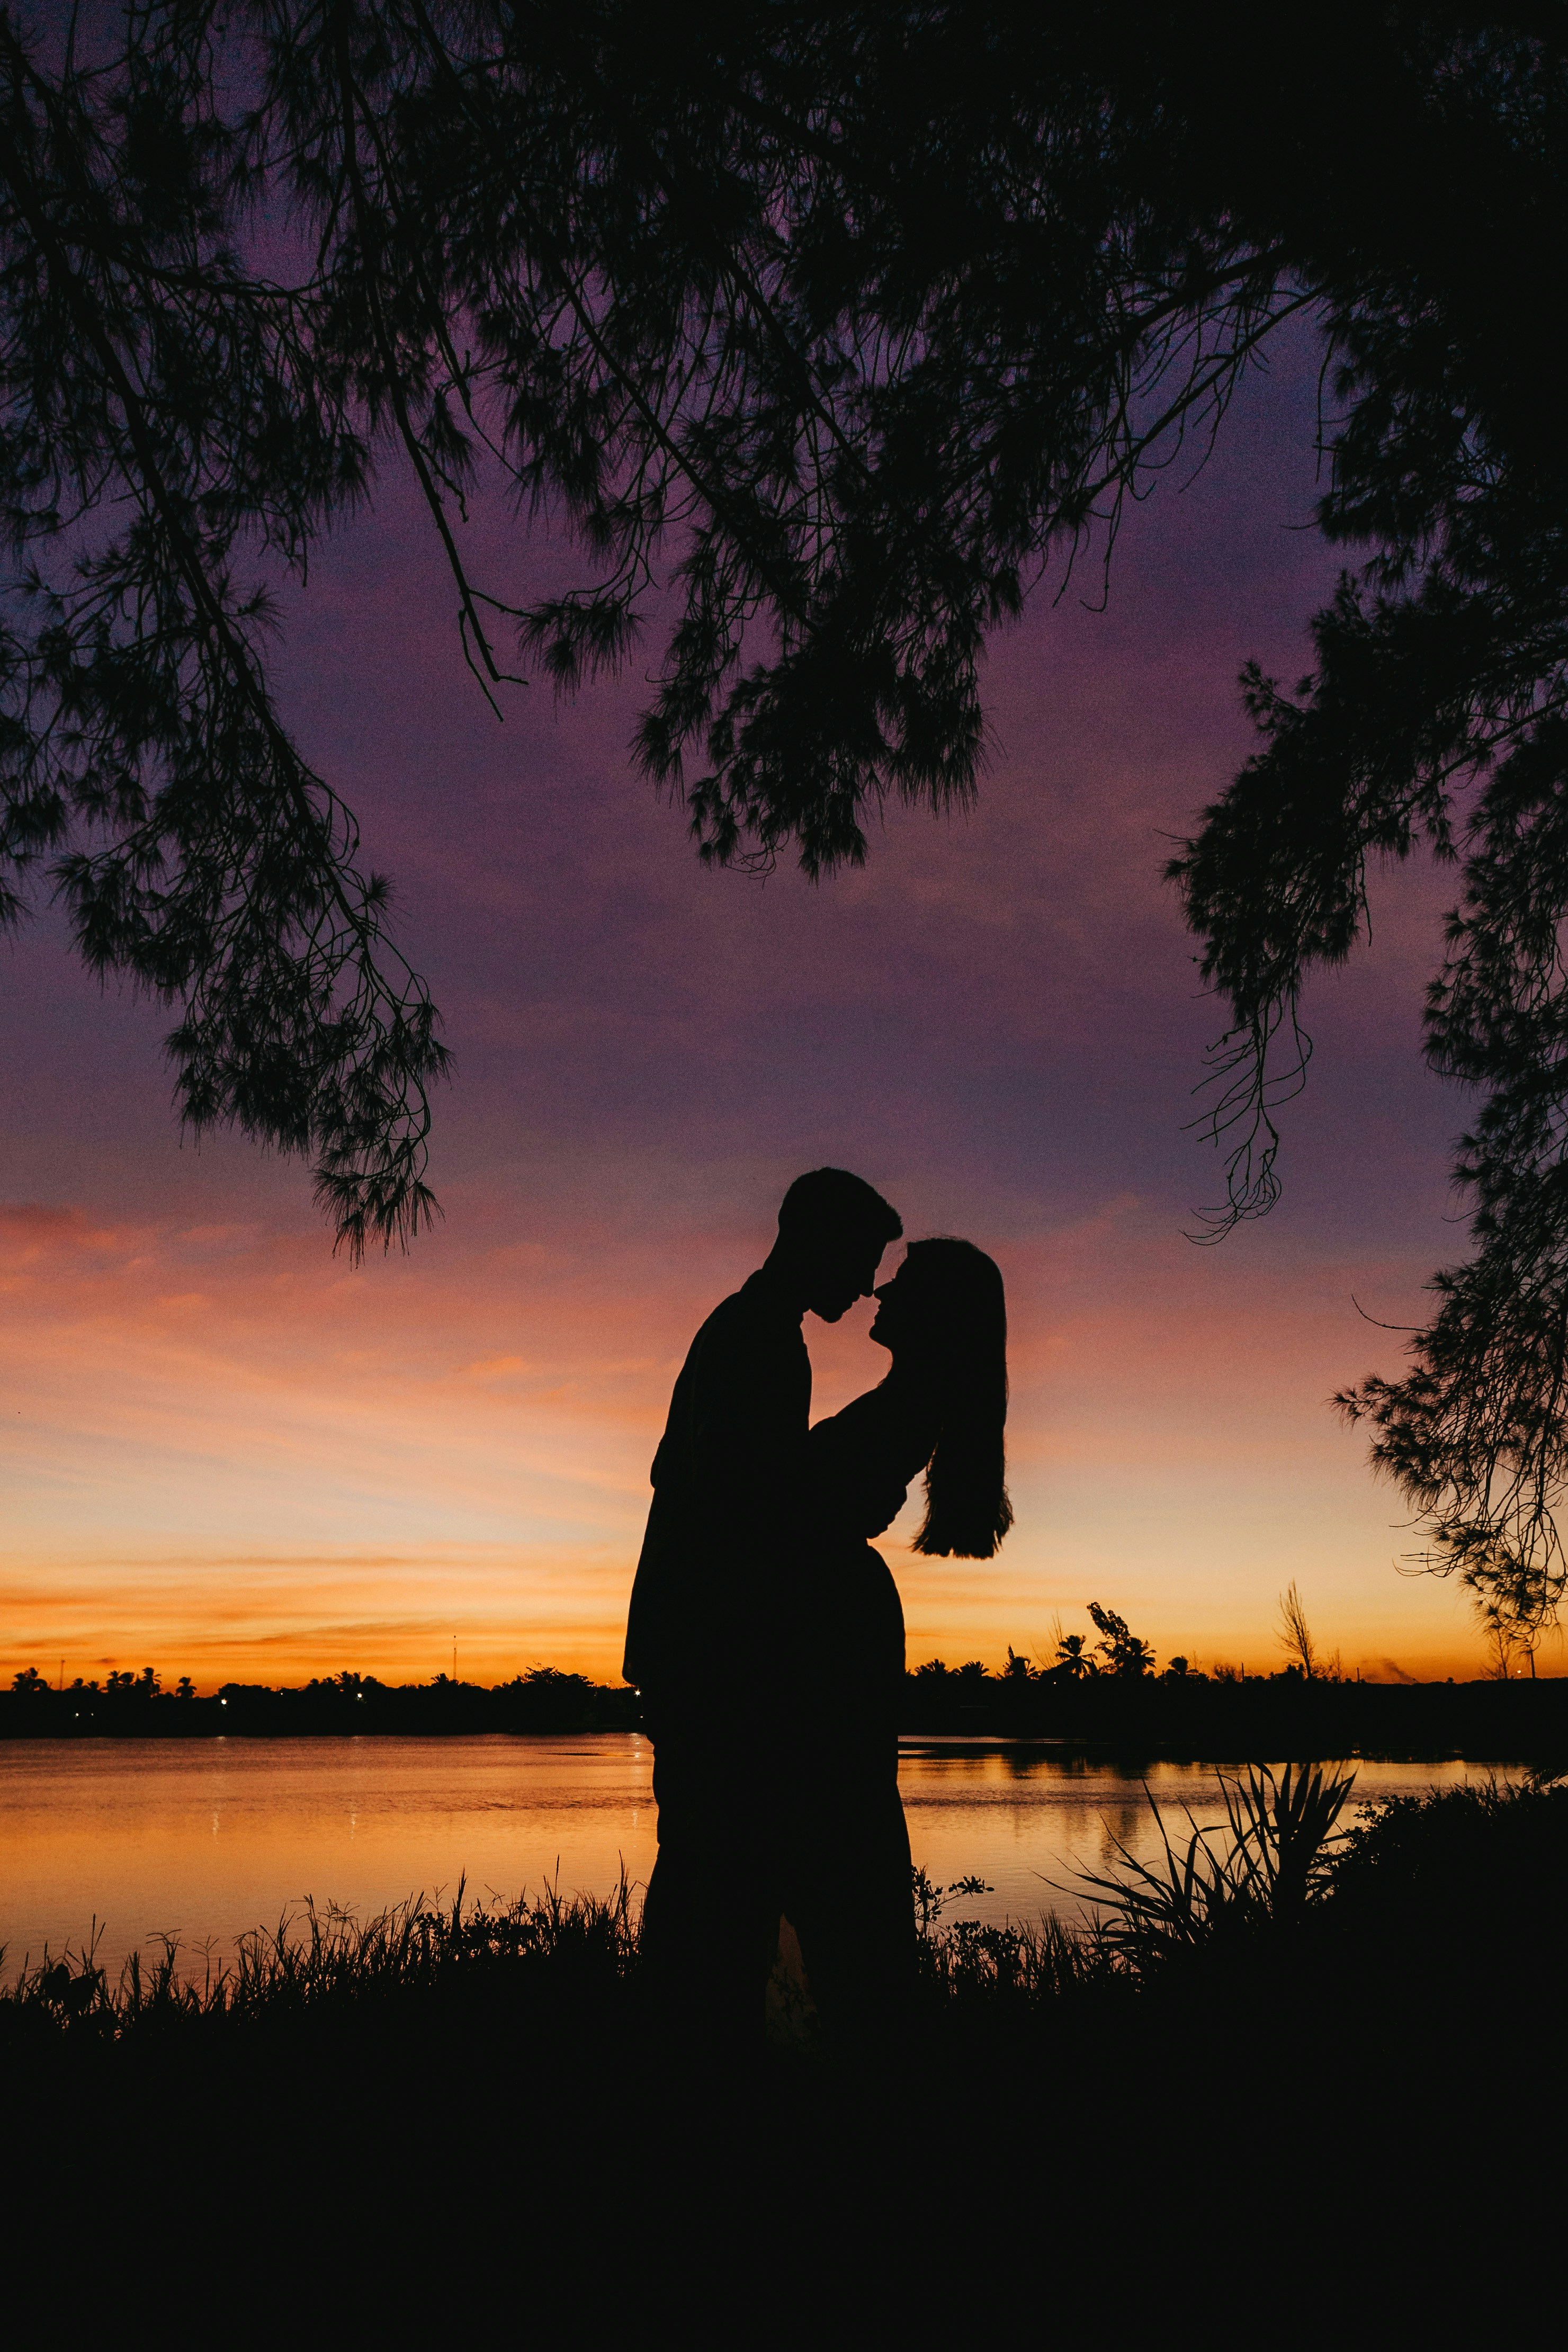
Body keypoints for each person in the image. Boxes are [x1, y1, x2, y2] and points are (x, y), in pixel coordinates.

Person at [624, 1167, 903, 2044]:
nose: (865, 1286)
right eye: (860, 1259)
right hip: (713, 1666)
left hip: (704, 1659)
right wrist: (837, 1508)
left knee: (717, 1892)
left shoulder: (753, 1333)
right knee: (715, 1895)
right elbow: (740, 1507)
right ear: (812, 1239)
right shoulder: (757, 1341)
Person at [782, 1237, 1013, 2047]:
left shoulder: (913, 1399)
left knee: (830, 1828)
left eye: (902, 1285)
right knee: (833, 1825)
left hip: (832, 1622)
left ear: (938, 1313)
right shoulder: (914, 1396)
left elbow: (800, 1507)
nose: (879, 1292)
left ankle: (852, 2030)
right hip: (835, 1610)